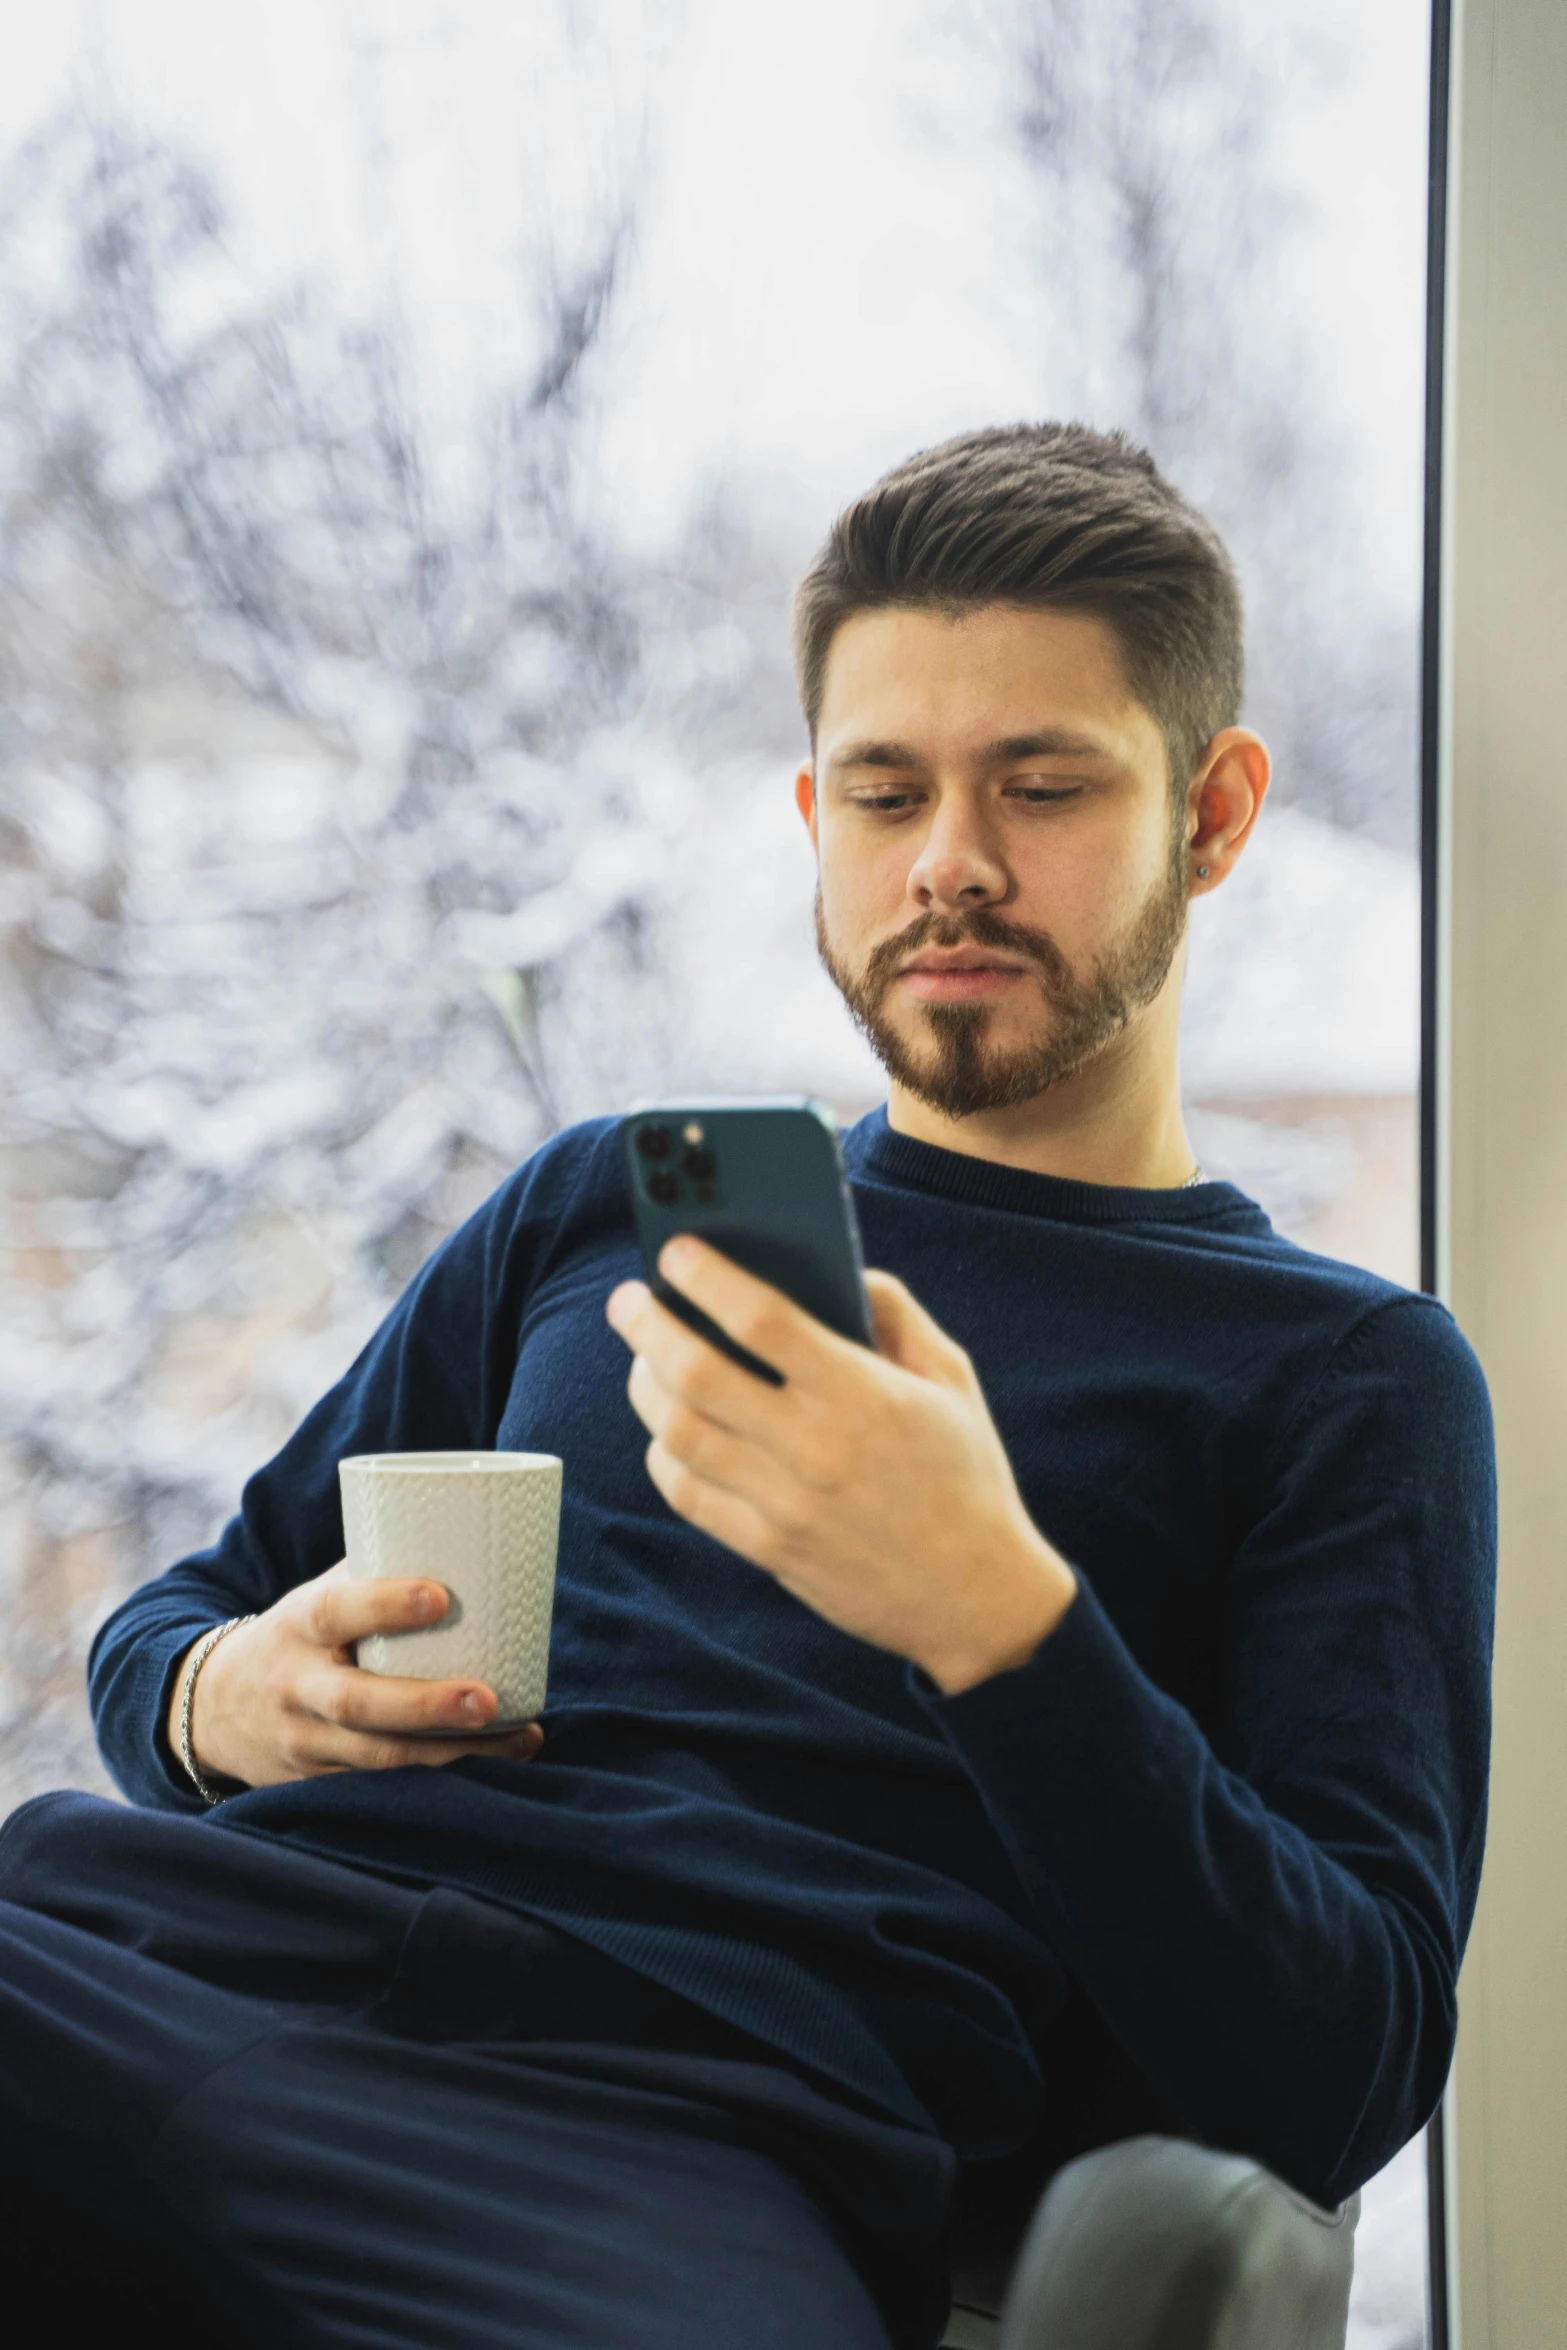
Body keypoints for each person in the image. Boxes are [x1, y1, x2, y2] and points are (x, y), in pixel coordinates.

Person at [0, 424, 1494, 2350]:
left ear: (1211, 814)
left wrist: (997, 1617)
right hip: (167, 1971)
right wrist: (221, 1695)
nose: (948, 863)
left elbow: (1334, 2072)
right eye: (884, 793)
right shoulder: (606, 1200)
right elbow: (180, 1620)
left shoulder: (1340, 1379)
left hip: (688, 2137)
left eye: (1038, 785)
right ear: (814, 817)